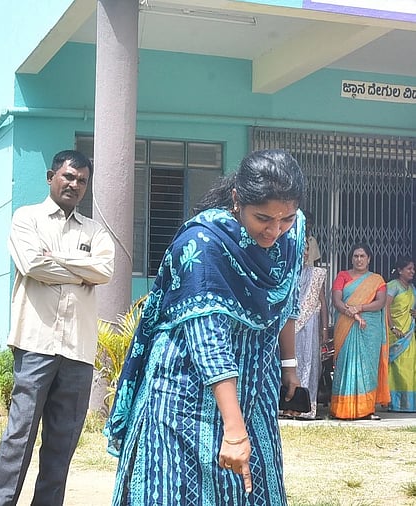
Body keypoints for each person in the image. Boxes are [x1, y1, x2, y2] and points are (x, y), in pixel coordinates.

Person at [105, 149, 305, 505]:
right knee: (177, 490)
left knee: (254, 487)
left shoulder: (291, 235)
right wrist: (233, 429)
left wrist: (288, 366)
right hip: (183, 393)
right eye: (263, 218)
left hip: (253, 387)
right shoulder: (203, 245)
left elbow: (286, 301)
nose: (275, 230)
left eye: (286, 218)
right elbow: (208, 343)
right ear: (236, 200)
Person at [0, 150, 115, 506]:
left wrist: (54, 259)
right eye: (68, 177)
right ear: (50, 176)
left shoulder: (96, 230)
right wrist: (80, 270)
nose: (74, 185)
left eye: (82, 181)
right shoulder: (27, 219)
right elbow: (31, 264)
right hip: (35, 343)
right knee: (19, 435)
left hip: (78, 350)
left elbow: (104, 272)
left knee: (62, 442)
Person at [329, 243, 387, 420]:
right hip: (345, 325)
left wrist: (359, 307)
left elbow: (380, 303)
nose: (359, 259)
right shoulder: (343, 276)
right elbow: (337, 301)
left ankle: (367, 410)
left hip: (370, 329)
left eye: (362, 256)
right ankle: (341, 409)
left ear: (369, 259)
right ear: (351, 258)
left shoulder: (377, 280)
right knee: (345, 363)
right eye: (356, 256)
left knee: (367, 367)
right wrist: (351, 313)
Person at [282, 227, 328, 420]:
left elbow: (322, 302)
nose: (305, 252)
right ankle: (285, 406)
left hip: (309, 326)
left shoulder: (317, 274)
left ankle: (304, 408)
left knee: (308, 364)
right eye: (302, 248)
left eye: (307, 248)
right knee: (288, 364)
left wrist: (325, 328)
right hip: (287, 326)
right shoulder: (284, 273)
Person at [385, 256, 416, 412]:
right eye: (409, 269)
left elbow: (411, 309)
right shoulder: (392, 286)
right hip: (395, 335)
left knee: (410, 368)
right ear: (400, 270)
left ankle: (409, 404)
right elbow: (386, 308)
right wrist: (392, 328)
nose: (413, 272)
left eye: (413, 269)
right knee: (397, 368)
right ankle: (395, 403)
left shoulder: (412, 289)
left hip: (409, 335)